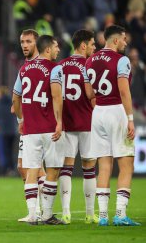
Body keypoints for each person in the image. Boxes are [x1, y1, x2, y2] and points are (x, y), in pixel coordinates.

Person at [85, 25, 140, 226]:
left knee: (104, 166)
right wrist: (130, 119)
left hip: (98, 112)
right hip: (117, 111)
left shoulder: (90, 60)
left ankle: (103, 217)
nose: (126, 42)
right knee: (126, 164)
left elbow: (89, 93)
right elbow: (125, 92)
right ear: (115, 40)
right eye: (124, 39)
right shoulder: (121, 60)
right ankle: (120, 214)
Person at [16, 35, 64, 225]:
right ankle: (47, 215)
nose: (58, 50)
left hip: (30, 129)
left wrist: (21, 120)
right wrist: (59, 122)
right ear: (47, 49)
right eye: (56, 47)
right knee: (52, 170)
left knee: (31, 171)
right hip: (49, 127)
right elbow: (56, 96)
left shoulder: (24, 69)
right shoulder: (55, 68)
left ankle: (32, 215)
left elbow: (15, 100)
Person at [58, 29, 98, 224]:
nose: (94, 48)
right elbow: (94, 97)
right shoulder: (90, 65)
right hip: (88, 123)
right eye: (92, 44)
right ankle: (90, 214)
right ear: (83, 45)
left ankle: (66, 213)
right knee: (89, 167)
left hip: (66, 124)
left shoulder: (61, 65)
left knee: (66, 168)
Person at [12, 29, 46, 222]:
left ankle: (39, 211)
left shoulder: (43, 65)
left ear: (37, 44)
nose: (24, 45)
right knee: (23, 167)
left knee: (32, 166)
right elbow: (17, 96)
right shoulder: (25, 67)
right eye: (22, 42)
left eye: (28, 42)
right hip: (28, 123)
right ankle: (38, 210)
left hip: (39, 124)